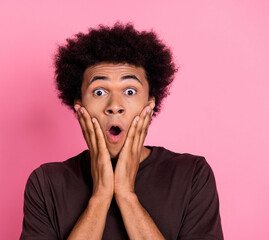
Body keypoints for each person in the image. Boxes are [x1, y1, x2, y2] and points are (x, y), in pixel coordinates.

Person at [20, 23, 223, 240]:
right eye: (99, 91)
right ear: (79, 106)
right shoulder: (46, 183)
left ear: (150, 104)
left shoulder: (192, 175)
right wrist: (100, 197)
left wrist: (126, 196)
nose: (115, 105)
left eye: (129, 91)